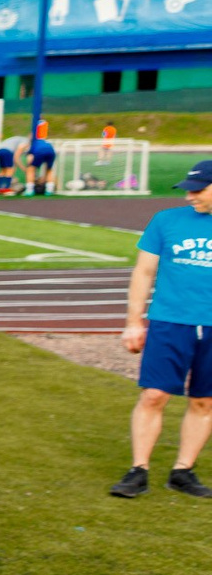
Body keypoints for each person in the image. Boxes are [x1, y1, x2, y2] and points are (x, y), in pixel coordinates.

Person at [109, 158, 212, 498]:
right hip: (170, 322)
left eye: (198, 190)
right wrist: (133, 322)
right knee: (154, 395)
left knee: (204, 401)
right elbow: (143, 273)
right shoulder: (166, 220)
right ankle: (138, 470)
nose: (189, 196)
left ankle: (183, 471)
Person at [24, 121, 57, 196]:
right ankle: (49, 190)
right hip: (51, 150)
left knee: (30, 169)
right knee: (49, 170)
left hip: (40, 151)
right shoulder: (46, 141)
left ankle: (29, 190)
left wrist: (29, 165)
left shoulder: (33, 142)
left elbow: (30, 158)